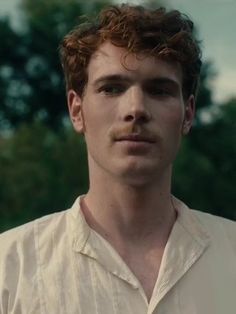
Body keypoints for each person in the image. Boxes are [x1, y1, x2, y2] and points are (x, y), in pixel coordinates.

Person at [0, 3, 235, 314]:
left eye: (159, 90)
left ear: (188, 114)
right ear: (76, 110)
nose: (135, 108)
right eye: (112, 88)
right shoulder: (9, 268)